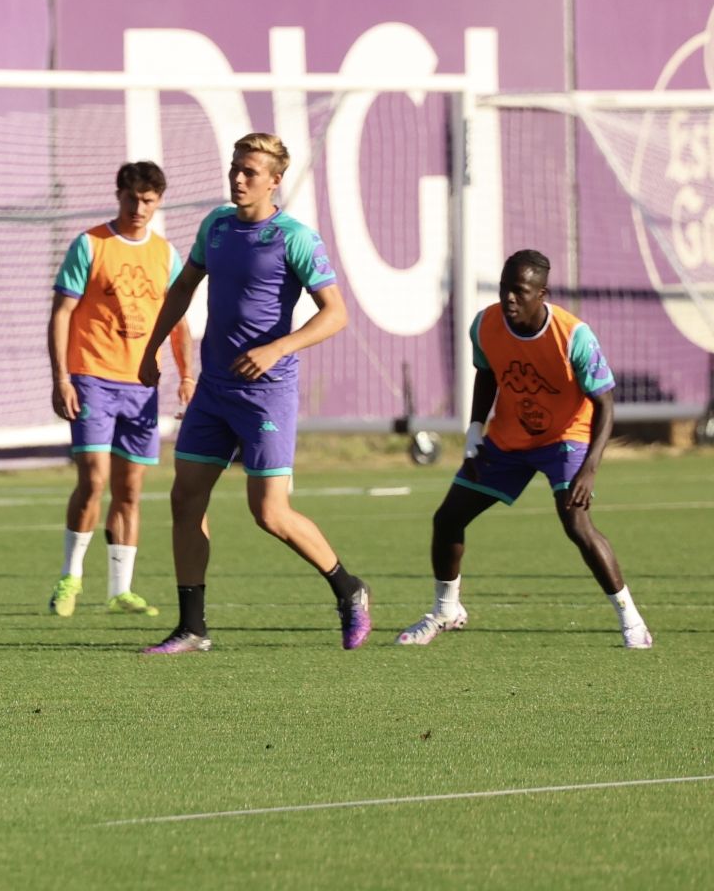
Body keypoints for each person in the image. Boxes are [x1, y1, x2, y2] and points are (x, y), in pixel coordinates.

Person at [135, 133, 371, 654]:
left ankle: (347, 586)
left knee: (269, 513)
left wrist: (278, 349)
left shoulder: (295, 238)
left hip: (266, 394)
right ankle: (193, 628)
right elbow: (183, 287)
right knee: (185, 497)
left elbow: (336, 314)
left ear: (275, 181)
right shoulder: (215, 226)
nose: (238, 179)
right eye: (235, 169)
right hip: (215, 389)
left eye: (249, 172)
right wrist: (153, 346)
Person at [397, 249, 653, 649]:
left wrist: (589, 468)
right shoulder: (485, 324)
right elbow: (487, 375)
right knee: (448, 518)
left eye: (519, 291)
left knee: (576, 524)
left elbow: (605, 402)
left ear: (542, 294)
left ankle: (632, 621)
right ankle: (446, 611)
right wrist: (474, 433)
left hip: (566, 436)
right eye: (504, 289)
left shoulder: (574, 336)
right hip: (509, 437)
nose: (509, 299)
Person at [47, 161, 193, 618]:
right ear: (119, 196)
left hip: (142, 385)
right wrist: (61, 378)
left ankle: (120, 589)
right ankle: (70, 577)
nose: (139, 208)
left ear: (159, 202)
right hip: (92, 376)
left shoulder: (166, 255)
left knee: (130, 490)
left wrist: (188, 375)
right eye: (132, 199)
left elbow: (179, 322)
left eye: (148, 201)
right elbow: (62, 313)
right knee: (93, 479)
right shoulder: (91, 245)